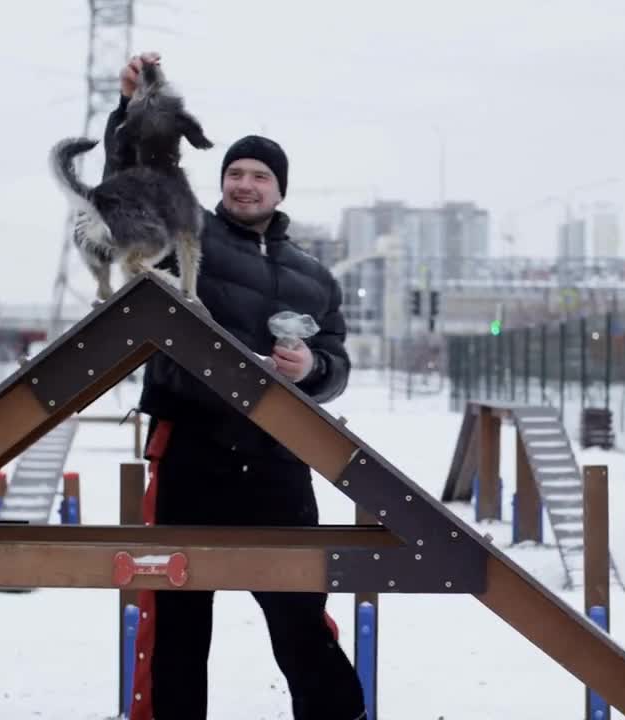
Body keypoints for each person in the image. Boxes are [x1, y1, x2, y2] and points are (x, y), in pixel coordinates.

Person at [105, 52, 366, 720]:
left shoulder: (315, 276)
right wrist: (137, 115)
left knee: (302, 617)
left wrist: (313, 370)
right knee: (178, 625)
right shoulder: (184, 233)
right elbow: (132, 197)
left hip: (278, 462)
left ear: (280, 189)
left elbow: (335, 357)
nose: (246, 184)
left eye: (259, 175)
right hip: (191, 450)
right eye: (236, 173)